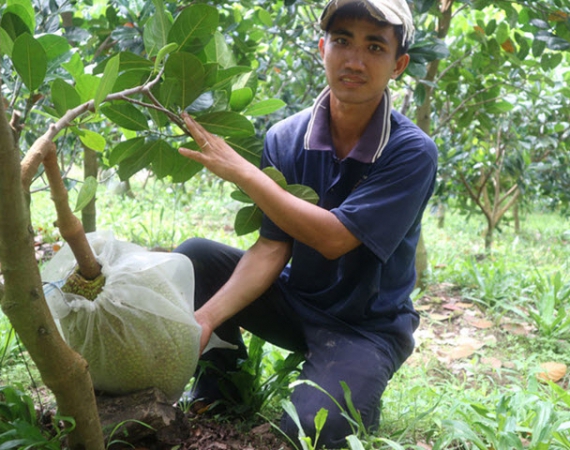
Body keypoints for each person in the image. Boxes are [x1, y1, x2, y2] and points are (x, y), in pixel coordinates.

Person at [175, 0, 438, 447]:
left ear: (399, 65)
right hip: (296, 302)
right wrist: (204, 319)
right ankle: (222, 388)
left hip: (366, 327)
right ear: (322, 48)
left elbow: (333, 238)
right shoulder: (285, 138)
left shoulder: (411, 151)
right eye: (342, 42)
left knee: (316, 431)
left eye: (375, 46)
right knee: (195, 258)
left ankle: (339, 388)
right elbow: (273, 247)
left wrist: (244, 173)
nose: (354, 60)